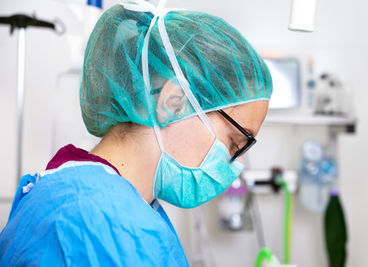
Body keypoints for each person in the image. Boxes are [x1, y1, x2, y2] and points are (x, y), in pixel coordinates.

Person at [0, 0, 272, 266]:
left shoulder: (101, 199)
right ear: (174, 102)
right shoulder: (100, 222)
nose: (235, 164)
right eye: (236, 142)